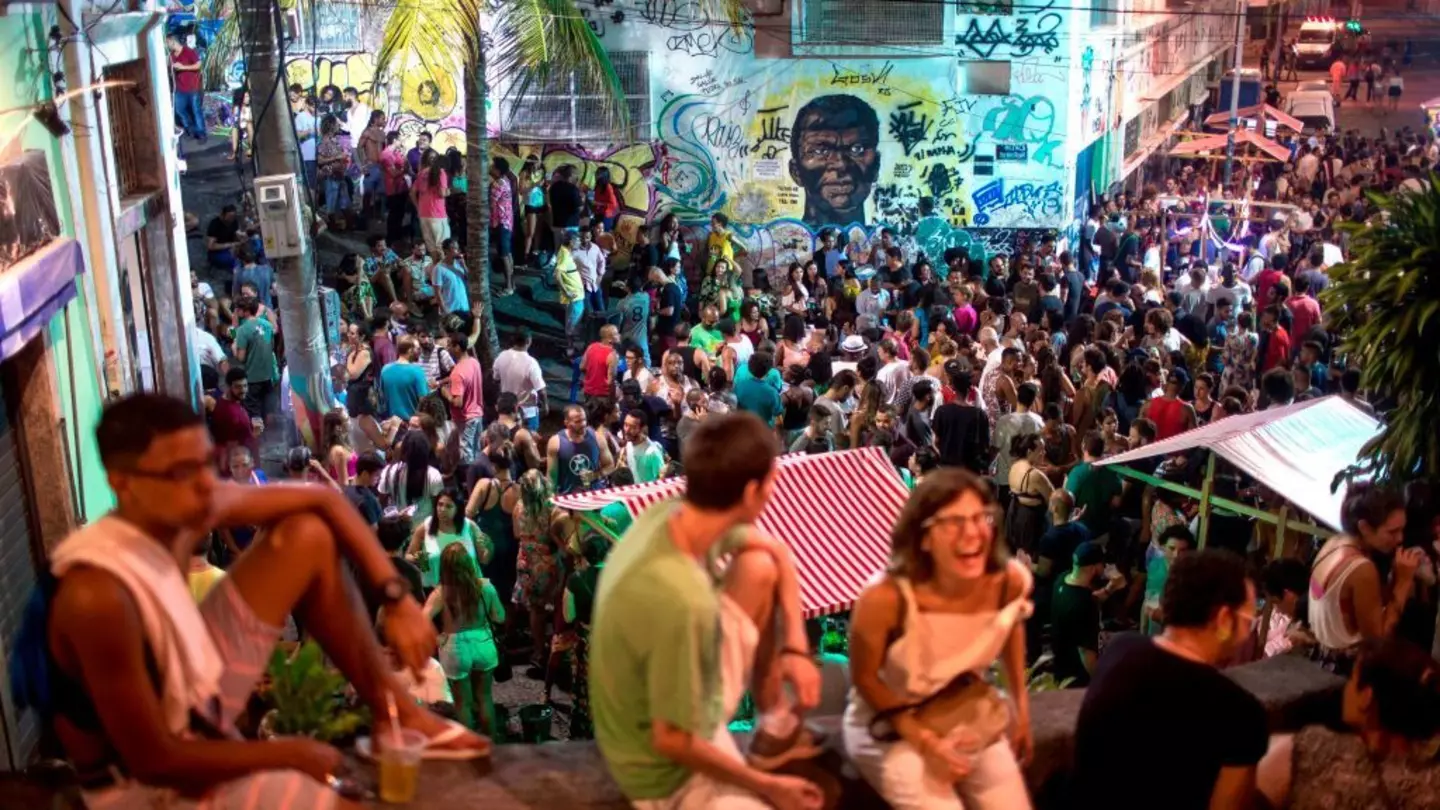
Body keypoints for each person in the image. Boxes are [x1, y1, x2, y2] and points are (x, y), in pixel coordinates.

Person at [32, 395, 485, 810]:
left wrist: (396, 597)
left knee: (306, 535)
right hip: (143, 788)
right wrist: (288, 754)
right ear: (123, 483)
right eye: (182, 472)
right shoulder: (96, 596)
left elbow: (322, 502)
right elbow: (155, 761)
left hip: (186, 689)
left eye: (206, 465)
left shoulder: (184, 502)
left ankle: (398, 716)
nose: (204, 487)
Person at [590, 412, 825, 809]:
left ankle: (773, 723)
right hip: (659, 773)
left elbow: (775, 551)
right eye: (772, 481)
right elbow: (671, 739)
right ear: (751, 493)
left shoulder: (670, 514)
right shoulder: (684, 598)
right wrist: (768, 786)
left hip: (661, 705)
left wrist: (795, 648)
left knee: (758, 566)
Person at [844, 468, 1033, 809]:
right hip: (887, 724)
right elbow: (865, 678)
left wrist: (1021, 707)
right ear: (924, 538)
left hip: (962, 708)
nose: (972, 532)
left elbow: (1011, 627)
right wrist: (926, 742)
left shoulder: (1008, 581)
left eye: (980, 517)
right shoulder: (884, 598)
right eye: (954, 522)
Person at [1069, 549, 1267, 810]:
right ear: (1222, 619)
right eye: (1247, 621)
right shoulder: (1240, 712)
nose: (1247, 632)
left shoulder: (1120, 649)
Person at [1257, 638, 1440, 809]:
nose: (1346, 688)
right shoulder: (1429, 777)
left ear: (1366, 697)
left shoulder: (1318, 750)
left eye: (1352, 679)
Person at [1310, 483, 1423, 672]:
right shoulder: (1361, 568)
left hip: (1322, 658)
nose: (1400, 539)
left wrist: (1395, 577)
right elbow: (1378, 643)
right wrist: (1403, 582)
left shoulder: (1334, 544)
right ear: (1364, 527)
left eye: (1402, 530)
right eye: (1392, 532)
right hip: (1346, 672)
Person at [424, 544, 504, 734]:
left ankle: (468, 744)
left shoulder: (440, 593)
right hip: (482, 642)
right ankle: (491, 743)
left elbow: (421, 619)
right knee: (485, 698)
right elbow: (500, 617)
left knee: (462, 704)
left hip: (454, 648)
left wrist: (436, 638)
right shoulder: (485, 587)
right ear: (469, 562)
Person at [788, 94, 881, 227]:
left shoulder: (889, 238)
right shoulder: (775, 239)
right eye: (820, 151)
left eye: (857, 149)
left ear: (876, 166)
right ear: (796, 172)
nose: (841, 164)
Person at [1051, 541, 1125, 687]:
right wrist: (1103, 684)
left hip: (1061, 664)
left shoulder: (1062, 580)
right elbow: (1086, 655)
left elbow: (1086, 599)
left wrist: (1110, 588)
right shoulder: (1084, 605)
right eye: (1102, 564)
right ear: (1093, 568)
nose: (1105, 568)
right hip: (1077, 676)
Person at [547, 404, 613, 495]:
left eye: (584, 420)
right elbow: (551, 477)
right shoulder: (555, 442)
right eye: (578, 421)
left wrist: (595, 475)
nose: (583, 424)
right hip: (568, 496)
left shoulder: (598, 438)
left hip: (594, 494)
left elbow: (610, 465)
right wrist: (551, 497)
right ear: (566, 423)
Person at [231, 296, 279, 423]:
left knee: (254, 411)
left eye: (239, 309)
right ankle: (271, 432)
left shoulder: (243, 330)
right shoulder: (268, 325)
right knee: (268, 408)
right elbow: (272, 346)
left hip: (252, 377)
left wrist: (234, 348)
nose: (236, 312)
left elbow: (241, 358)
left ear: (246, 311)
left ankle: (258, 433)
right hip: (268, 375)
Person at [444, 332, 486, 466]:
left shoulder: (457, 372)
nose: (447, 349)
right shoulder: (474, 362)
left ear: (457, 347)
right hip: (477, 415)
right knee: (477, 452)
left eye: (449, 345)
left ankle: (468, 477)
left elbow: (458, 403)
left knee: (465, 455)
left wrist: (446, 394)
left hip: (465, 419)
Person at [494, 329, 547, 431]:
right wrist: (545, 406)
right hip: (527, 412)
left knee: (507, 437)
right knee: (528, 437)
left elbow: (496, 379)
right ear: (528, 341)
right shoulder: (531, 363)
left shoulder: (501, 356)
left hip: (507, 410)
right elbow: (541, 390)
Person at [378, 336, 430, 421]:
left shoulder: (385, 369)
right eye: (418, 349)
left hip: (392, 423)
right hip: (412, 423)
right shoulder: (417, 371)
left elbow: (382, 397)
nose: (420, 352)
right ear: (410, 350)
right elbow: (424, 401)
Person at [167, 36, 205, 142]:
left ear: (173, 42)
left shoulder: (188, 51)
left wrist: (183, 67)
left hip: (192, 87)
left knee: (196, 111)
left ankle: (201, 133)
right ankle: (190, 129)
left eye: (168, 43)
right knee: (179, 110)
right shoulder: (171, 56)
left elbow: (198, 65)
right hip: (180, 88)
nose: (167, 46)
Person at [489, 157, 517, 295]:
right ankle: (512, 284)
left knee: (504, 255)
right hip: (507, 221)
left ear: (498, 170)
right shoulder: (506, 180)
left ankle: (508, 287)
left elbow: (491, 203)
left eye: (492, 166)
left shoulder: (497, 183)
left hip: (500, 221)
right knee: (508, 254)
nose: (490, 168)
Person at [412, 151, 451, 252]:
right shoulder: (440, 172)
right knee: (442, 246)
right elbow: (442, 193)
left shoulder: (421, 173)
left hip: (423, 214)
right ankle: (441, 263)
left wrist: (418, 207)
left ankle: (435, 261)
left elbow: (412, 193)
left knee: (431, 247)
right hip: (437, 213)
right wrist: (448, 191)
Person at [620, 409, 666, 483]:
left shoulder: (652, 452)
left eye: (633, 427)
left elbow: (661, 481)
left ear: (643, 428)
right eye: (626, 425)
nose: (627, 430)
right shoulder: (628, 445)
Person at [581, 325, 621, 409]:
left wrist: (592, 378)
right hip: (602, 396)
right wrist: (612, 400)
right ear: (610, 339)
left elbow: (582, 367)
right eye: (616, 334)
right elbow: (610, 381)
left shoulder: (591, 347)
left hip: (588, 392)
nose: (619, 335)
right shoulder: (613, 355)